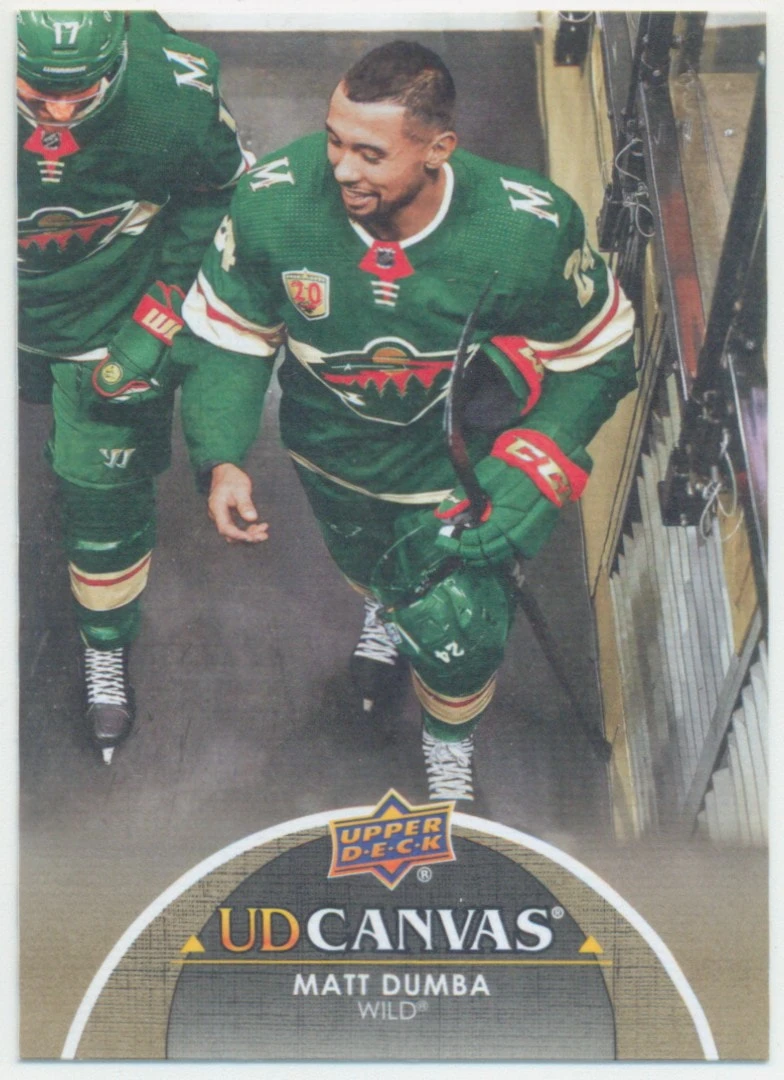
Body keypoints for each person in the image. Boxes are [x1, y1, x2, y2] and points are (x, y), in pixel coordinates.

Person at [174, 40, 636, 802]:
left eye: (369, 153)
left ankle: (447, 741)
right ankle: (383, 608)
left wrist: (537, 459)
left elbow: (601, 351)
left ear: (437, 149)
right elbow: (232, 331)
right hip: (331, 457)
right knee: (370, 569)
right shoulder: (275, 200)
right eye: (333, 139)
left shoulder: (525, 227)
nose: (340, 168)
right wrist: (221, 454)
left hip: (453, 472)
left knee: (460, 628)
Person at [18, 10, 250, 762]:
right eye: (36, 94)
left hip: (108, 319)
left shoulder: (177, 89)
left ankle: (105, 643)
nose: (57, 117)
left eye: (80, 95)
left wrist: (159, 311)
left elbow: (220, 192)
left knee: (104, 505)